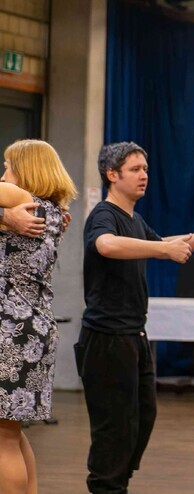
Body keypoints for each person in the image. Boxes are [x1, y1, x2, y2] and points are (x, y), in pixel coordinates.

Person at [76, 142, 194, 494]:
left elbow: (163, 243)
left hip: (133, 335)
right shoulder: (104, 214)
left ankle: (117, 483)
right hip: (106, 338)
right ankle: (107, 487)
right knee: (114, 428)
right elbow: (106, 245)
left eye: (145, 168)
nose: (144, 175)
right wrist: (162, 248)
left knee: (142, 417)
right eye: (135, 169)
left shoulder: (133, 219)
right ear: (112, 175)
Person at [0, 139, 77, 494]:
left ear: (26, 170)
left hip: (10, 331)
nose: (4, 175)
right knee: (11, 432)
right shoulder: (53, 211)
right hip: (33, 329)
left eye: (8, 167)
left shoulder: (21, 200)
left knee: (3, 438)